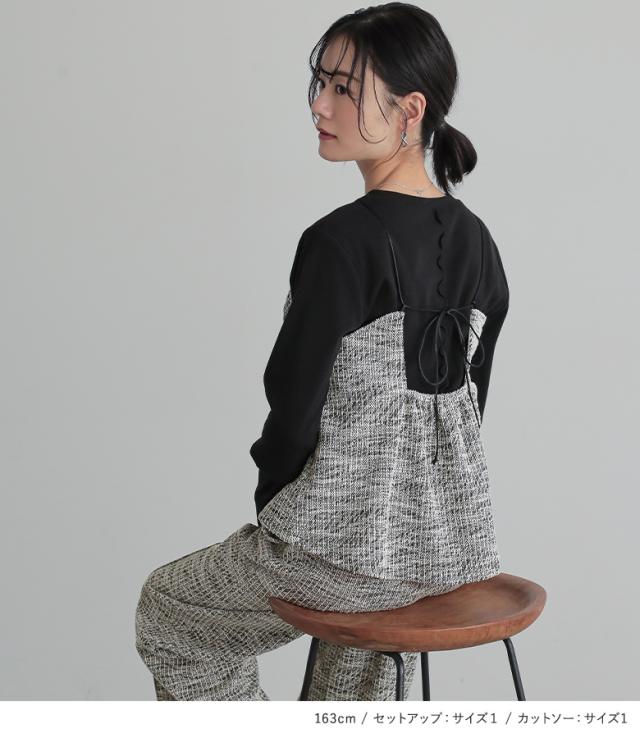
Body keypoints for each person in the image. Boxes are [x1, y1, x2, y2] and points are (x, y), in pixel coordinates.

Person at [135, 2, 510, 701]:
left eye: (344, 88)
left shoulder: (339, 243)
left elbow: (293, 404)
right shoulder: (478, 241)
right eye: (322, 83)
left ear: (410, 110)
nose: (319, 104)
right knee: (357, 675)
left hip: (333, 551)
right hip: (445, 551)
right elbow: (473, 401)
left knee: (170, 613)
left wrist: (277, 505)